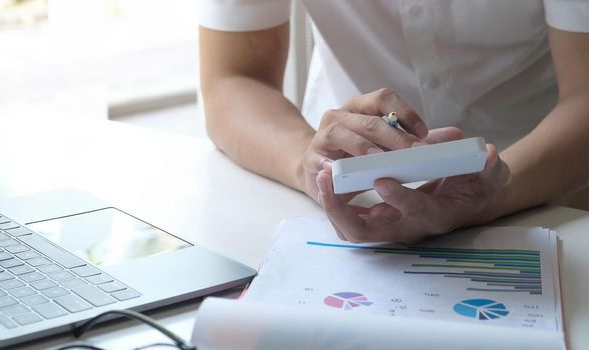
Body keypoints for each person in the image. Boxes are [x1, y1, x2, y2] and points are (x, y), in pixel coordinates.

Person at [198, 1, 589, 243]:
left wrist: (490, 195)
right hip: (348, 195)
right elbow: (233, 80)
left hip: (544, 191)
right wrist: (308, 165)